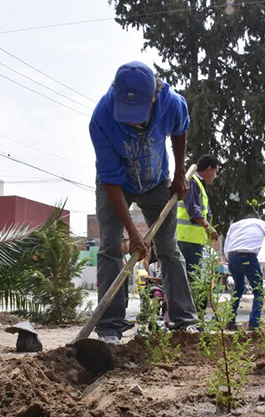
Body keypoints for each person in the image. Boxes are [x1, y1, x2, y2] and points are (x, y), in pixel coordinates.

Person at [89, 61, 198, 344]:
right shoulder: (101, 117)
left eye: (138, 115)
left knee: (168, 249)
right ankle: (110, 327)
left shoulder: (172, 103)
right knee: (111, 247)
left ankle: (183, 320)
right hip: (116, 185)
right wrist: (133, 233)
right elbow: (110, 180)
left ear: (154, 97)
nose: (132, 122)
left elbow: (180, 131)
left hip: (156, 182)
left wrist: (178, 174)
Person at [223, 213, 265, 330]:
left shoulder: (234, 225)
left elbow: (226, 246)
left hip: (232, 257)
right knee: (258, 291)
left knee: (238, 289)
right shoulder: (260, 223)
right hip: (247, 256)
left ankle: (230, 322)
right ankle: (254, 324)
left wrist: (231, 260)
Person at [177, 154, 220, 275]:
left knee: (191, 276)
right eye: (215, 172)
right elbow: (193, 208)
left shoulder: (198, 184)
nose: (215, 176)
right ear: (209, 169)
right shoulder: (193, 182)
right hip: (187, 239)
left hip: (192, 239)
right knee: (191, 277)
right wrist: (207, 226)